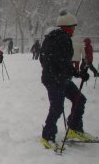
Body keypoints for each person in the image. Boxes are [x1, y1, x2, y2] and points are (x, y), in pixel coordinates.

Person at [39, 12, 92, 149]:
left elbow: (50, 60)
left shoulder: (51, 37)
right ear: (67, 27)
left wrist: (76, 73)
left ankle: (74, 128)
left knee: (79, 99)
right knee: (57, 107)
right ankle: (47, 137)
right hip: (55, 80)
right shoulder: (62, 38)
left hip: (58, 78)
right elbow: (61, 61)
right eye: (73, 27)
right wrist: (64, 74)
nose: (74, 30)